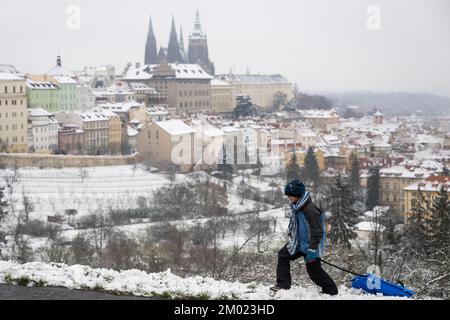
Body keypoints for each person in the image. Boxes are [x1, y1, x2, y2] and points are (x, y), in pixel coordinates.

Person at [271, 179, 338, 295]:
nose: (288, 197)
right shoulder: (298, 207)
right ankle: (283, 285)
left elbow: (318, 232)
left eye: (290, 195)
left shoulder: (310, 210)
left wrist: (312, 249)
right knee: (283, 255)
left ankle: (331, 290)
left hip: (311, 245)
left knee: (313, 271)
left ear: (298, 195)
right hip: (299, 243)